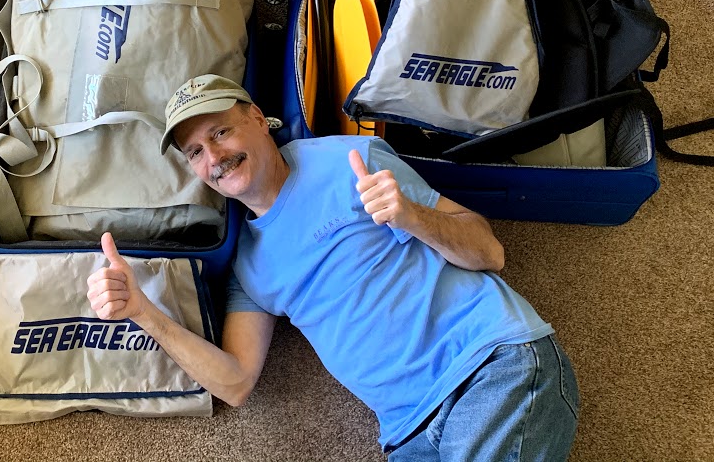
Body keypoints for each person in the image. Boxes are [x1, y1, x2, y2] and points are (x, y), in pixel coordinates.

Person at [87, 74, 579, 461]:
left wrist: (412, 215)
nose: (214, 156)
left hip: (489, 367)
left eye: (221, 131)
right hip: (409, 432)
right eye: (196, 151)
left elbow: (490, 254)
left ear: (258, 119)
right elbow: (235, 383)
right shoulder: (249, 266)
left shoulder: (352, 160)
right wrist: (142, 312)